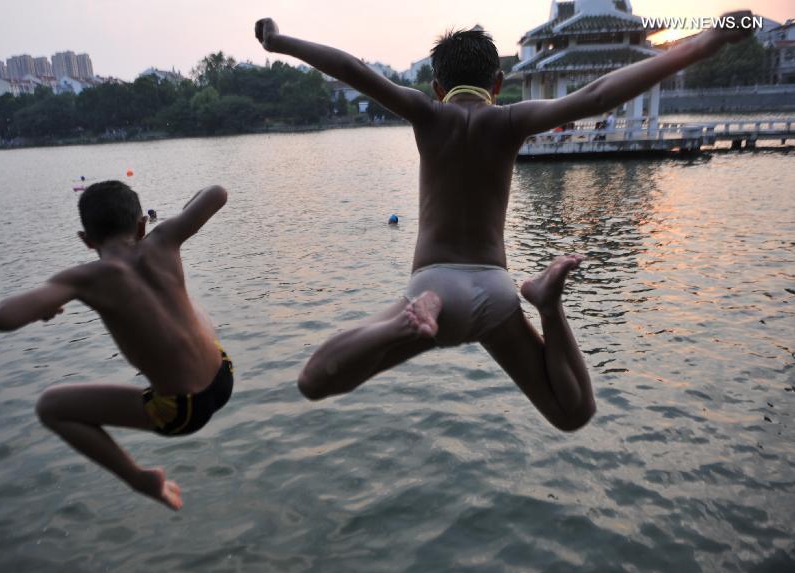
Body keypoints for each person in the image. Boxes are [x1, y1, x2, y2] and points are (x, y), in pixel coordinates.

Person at [254, 12, 753, 431]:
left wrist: (280, 42)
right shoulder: (510, 120)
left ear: (436, 85)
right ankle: (548, 305)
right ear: (497, 84)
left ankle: (406, 323)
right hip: (495, 290)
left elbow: (354, 70)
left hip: (434, 291)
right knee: (573, 412)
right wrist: (708, 40)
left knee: (316, 380)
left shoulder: (428, 114)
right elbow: (598, 95)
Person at [0, 181, 232, 510]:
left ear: (87, 240)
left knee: (50, 407)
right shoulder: (165, 237)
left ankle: (139, 478)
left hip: (183, 409)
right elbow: (217, 193)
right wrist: (178, 218)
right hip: (223, 372)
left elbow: (2, 317)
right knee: (186, 305)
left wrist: (44, 306)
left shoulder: (84, 279)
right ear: (141, 224)